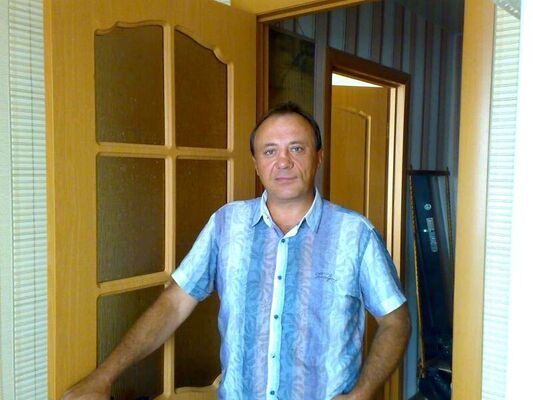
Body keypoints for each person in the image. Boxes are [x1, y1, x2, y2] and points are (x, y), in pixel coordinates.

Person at [63, 102, 410, 400]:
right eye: (270, 151)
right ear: (256, 163)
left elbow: (395, 321)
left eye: (297, 148)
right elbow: (174, 304)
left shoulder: (355, 234)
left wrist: (362, 393)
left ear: (319, 157)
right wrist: (104, 376)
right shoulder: (226, 224)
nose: (283, 161)